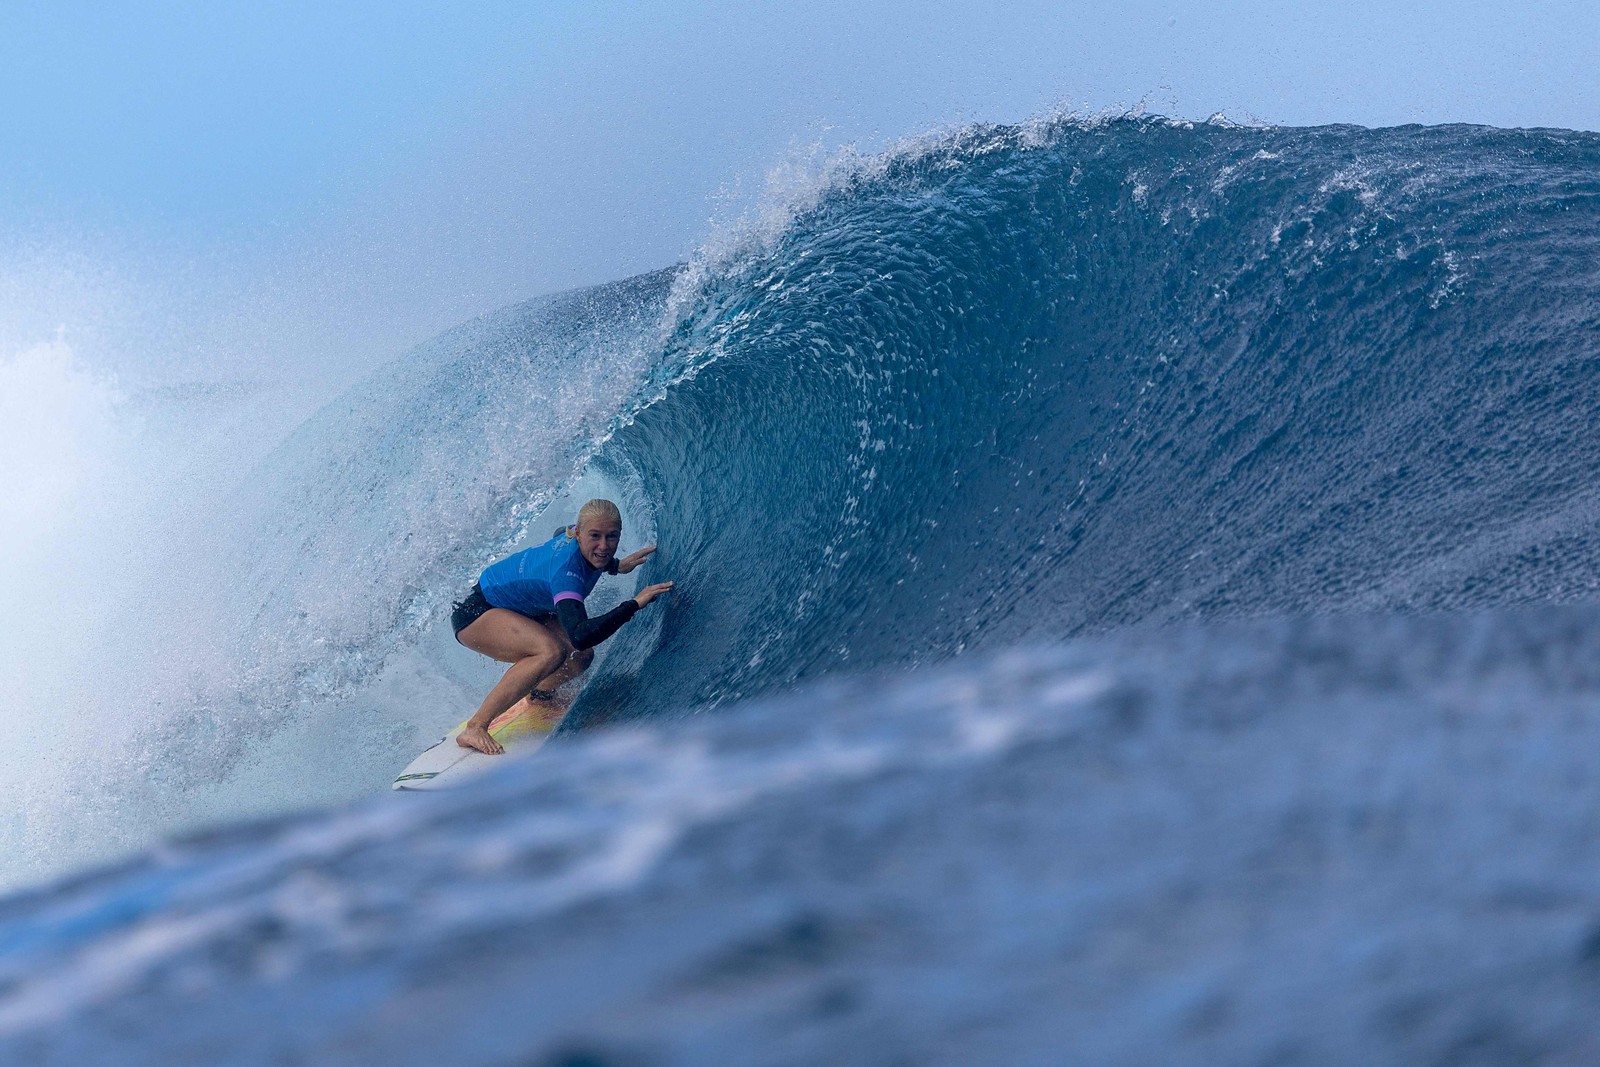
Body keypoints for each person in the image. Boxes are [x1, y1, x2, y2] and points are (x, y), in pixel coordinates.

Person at [449, 498, 672, 755]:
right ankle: (476, 727)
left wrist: (616, 566)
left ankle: (539, 694)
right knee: (551, 651)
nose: (604, 545)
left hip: (520, 608)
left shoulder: (573, 536)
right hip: (475, 610)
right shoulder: (567, 575)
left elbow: (562, 536)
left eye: (612, 537)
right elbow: (581, 634)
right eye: (595, 536)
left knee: (581, 657)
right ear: (578, 533)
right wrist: (634, 604)